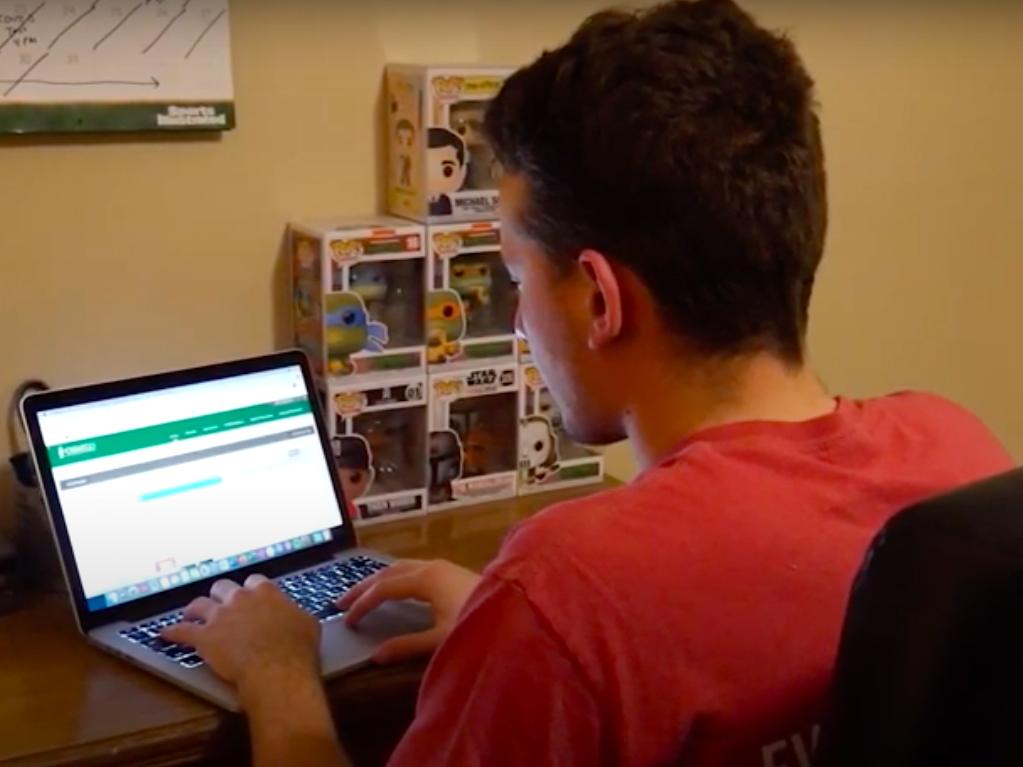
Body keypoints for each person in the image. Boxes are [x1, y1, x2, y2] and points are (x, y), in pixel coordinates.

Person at [164, 0, 1014, 765]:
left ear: (601, 299)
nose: (521, 318)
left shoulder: (568, 586)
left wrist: (278, 674)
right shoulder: (953, 449)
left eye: (515, 276)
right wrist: (519, 641)